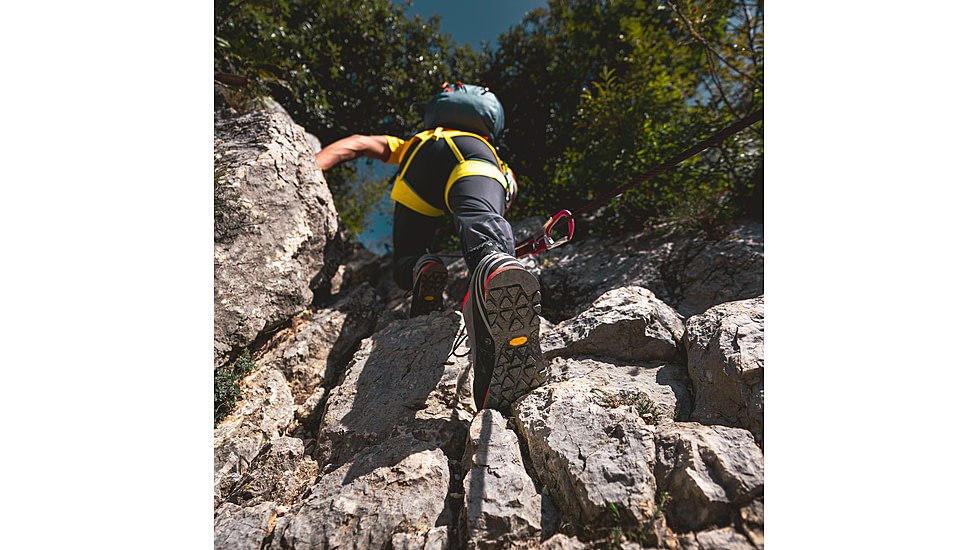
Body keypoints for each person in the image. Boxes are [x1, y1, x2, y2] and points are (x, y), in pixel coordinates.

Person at [314, 83, 545, 413]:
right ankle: (494, 265)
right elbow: (507, 192)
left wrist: (310, 168)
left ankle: (421, 265)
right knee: (485, 234)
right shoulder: (493, 154)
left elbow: (358, 144)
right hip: (474, 157)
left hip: (419, 165)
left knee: (408, 250)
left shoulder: (412, 140)